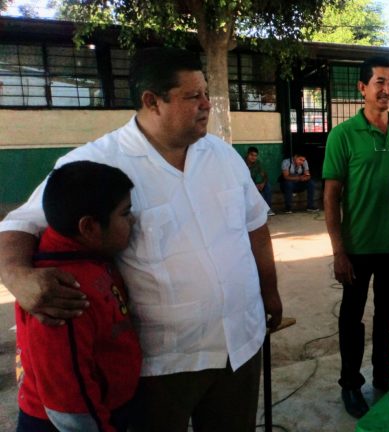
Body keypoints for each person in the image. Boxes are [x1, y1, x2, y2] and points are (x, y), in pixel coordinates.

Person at [0, 47, 282, 432]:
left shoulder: (221, 154)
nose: (206, 105)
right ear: (152, 101)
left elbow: (254, 227)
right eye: (192, 96)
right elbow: (20, 224)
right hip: (163, 366)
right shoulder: (98, 163)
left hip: (240, 345)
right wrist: (18, 277)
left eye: (206, 94)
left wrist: (270, 292)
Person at [323, 56, 389, 418]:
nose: (388, 89)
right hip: (357, 249)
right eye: (380, 82)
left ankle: (382, 376)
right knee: (352, 319)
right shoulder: (343, 135)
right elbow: (331, 196)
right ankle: (350, 384)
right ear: (362, 88)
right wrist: (338, 251)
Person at [16, 161, 141, 432]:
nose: (132, 220)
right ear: (89, 227)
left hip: (106, 411)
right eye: (125, 213)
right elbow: (67, 400)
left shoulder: (92, 259)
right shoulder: (62, 293)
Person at [245, 146, 275, 216]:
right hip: (246, 185)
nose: (253, 157)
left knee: (268, 187)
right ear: (247, 154)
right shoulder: (242, 163)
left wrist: (263, 183)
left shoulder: (257, 163)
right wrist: (253, 186)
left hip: (256, 184)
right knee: (259, 193)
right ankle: (262, 210)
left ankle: (268, 209)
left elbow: (265, 175)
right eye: (251, 155)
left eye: (255, 156)